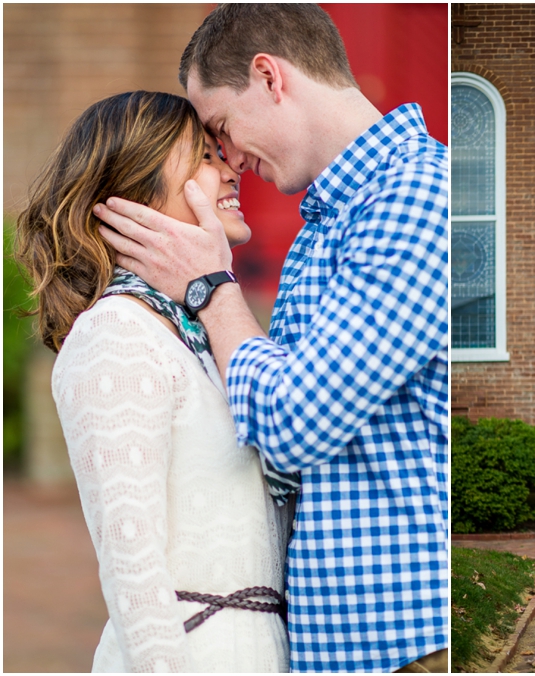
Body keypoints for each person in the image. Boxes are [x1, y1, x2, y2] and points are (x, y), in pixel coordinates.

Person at [93, 5, 448, 673]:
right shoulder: (326, 226)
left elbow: (293, 425)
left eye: (221, 128)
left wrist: (210, 287)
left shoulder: (414, 196)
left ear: (269, 76)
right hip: (342, 645)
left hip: (404, 645)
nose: (228, 159)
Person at [15, 91, 289, 672]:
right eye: (206, 157)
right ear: (137, 192)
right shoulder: (116, 333)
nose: (232, 168)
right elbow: (132, 574)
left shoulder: (200, 336)